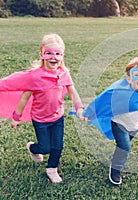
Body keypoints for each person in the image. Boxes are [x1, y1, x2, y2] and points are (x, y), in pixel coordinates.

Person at [0, 33, 86, 183]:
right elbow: (24, 98)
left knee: (58, 146)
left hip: (57, 117)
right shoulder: (34, 77)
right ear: (42, 54)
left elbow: (72, 91)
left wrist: (79, 107)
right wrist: (16, 117)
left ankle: (52, 169)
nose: (54, 58)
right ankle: (33, 148)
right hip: (40, 120)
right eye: (49, 53)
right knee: (45, 147)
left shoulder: (64, 74)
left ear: (62, 55)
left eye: (58, 54)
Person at [83, 57, 138, 185]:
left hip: (134, 126)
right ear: (128, 78)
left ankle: (118, 156)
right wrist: (89, 113)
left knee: (123, 145)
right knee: (125, 147)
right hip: (119, 123)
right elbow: (103, 100)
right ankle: (115, 169)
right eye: (137, 75)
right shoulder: (121, 91)